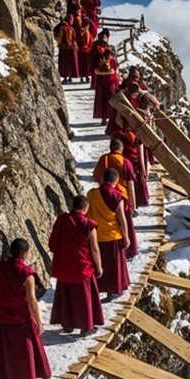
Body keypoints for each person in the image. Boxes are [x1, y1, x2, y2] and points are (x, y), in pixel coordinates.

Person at [0, 238, 52, 379]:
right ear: (25, 254)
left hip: (2, 318)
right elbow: (31, 301)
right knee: (25, 354)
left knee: (5, 351)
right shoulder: (27, 274)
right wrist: (39, 322)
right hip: (21, 319)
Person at [48, 194, 104, 334]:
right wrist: (98, 267)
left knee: (66, 296)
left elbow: (52, 244)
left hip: (64, 266)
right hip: (82, 267)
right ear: (85, 208)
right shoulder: (89, 225)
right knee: (83, 298)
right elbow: (95, 249)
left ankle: (67, 325)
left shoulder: (62, 220)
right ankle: (86, 327)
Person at [87, 169, 131, 298]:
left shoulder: (91, 194)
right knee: (114, 268)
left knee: (99, 264)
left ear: (103, 179)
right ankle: (113, 291)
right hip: (113, 236)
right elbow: (122, 219)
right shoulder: (117, 197)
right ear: (115, 181)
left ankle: (97, 289)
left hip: (96, 236)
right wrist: (126, 237)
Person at [93, 138, 139, 257]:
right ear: (121, 149)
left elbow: (96, 176)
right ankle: (128, 252)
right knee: (125, 224)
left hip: (104, 195)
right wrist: (133, 205)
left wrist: (101, 185)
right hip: (122, 196)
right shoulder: (125, 161)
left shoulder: (104, 159)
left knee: (108, 222)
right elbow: (130, 184)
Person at [92, 35, 119, 124]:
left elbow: (95, 70)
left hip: (101, 82)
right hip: (111, 82)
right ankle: (112, 117)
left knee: (101, 100)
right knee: (110, 100)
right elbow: (114, 70)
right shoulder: (111, 59)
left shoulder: (99, 58)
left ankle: (103, 118)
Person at [54, 15, 80, 84]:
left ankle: (65, 77)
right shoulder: (72, 29)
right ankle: (70, 77)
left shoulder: (62, 28)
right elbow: (75, 39)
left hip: (64, 48)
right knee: (70, 63)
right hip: (72, 48)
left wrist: (58, 42)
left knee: (64, 63)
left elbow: (60, 38)